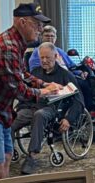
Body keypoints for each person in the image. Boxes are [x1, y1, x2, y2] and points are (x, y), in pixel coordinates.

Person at [0, 3, 63, 181]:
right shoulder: (7, 47)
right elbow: (17, 89)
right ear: (22, 22)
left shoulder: (17, 43)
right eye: (37, 24)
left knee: (7, 157)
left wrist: (43, 84)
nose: (40, 30)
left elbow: (21, 74)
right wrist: (44, 92)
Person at [13, 42, 83, 175]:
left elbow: (79, 101)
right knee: (10, 120)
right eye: (42, 58)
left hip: (52, 109)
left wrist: (69, 119)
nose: (44, 61)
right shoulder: (35, 72)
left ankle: (32, 156)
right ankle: (6, 154)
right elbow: (26, 91)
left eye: (48, 58)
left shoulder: (65, 75)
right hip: (31, 106)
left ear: (56, 56)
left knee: (39, 115)